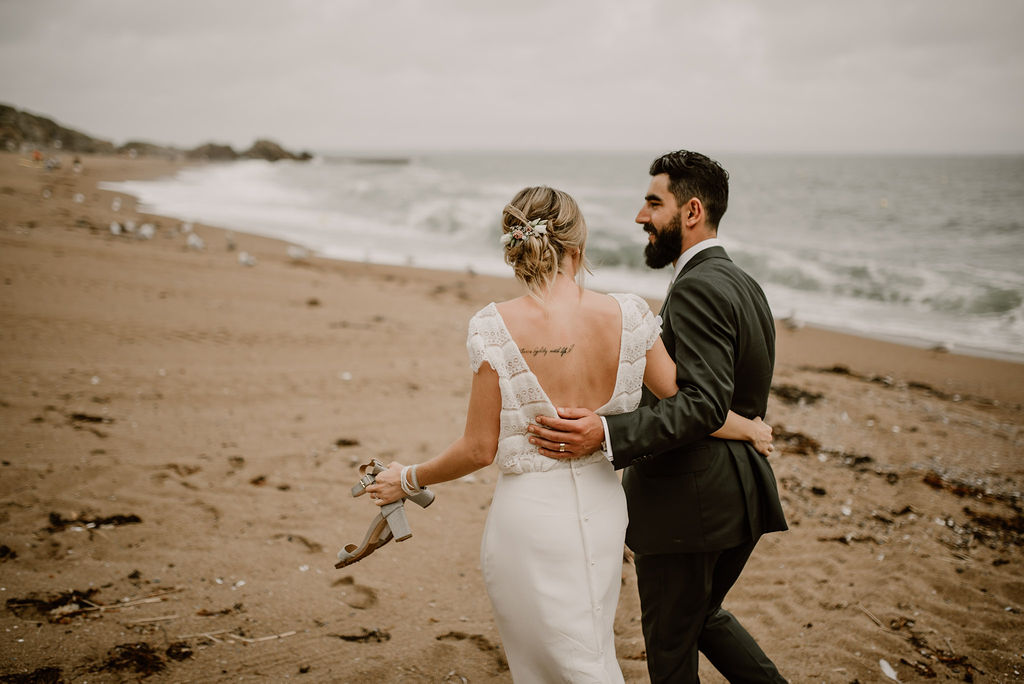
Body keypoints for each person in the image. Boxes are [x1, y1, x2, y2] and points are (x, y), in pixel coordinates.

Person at [366, 185, 774, 682]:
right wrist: (747, 426)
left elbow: (479, 449)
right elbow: (688, 402)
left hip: (529, 518)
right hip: (604, 511)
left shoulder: (493, 325)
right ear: (576, 248)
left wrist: (407, 478)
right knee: (590, 645)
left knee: (549, 664)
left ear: (517, 248)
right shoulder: (628, 314)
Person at [525, 151, 789, 682]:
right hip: (741, 494)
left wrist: (604, 433)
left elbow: (702, 403)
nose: (640, 217)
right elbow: (727, 398)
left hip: (690, 503)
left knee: (670, 651)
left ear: (691, 212)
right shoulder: (742, 283)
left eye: (653, 203)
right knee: (701, 619)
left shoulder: (698, 287)